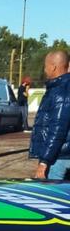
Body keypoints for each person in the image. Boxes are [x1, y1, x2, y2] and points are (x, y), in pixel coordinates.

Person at [30, 50, 70, 179]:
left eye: (46, 66)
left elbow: (58, 129)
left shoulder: (61, 91)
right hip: (61, 155)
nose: (45, 69)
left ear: (53, 67)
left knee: (52, 190)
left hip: (59, 158)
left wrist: (44, 161)